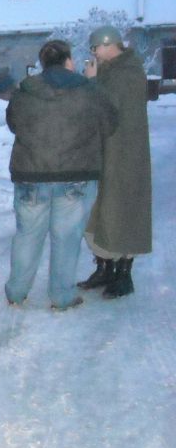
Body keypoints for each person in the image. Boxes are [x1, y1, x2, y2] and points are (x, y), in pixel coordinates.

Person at [4, 40, 117, 310]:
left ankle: (16, 292)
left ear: (43, 63)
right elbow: (110, 123)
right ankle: (62, 296)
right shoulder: (89, 90)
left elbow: (13, 122)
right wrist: (95, 83)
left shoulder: (25, 90)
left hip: (30, 174)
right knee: (66, 238)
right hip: (75, 174)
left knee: (27, 235)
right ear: (68, 61)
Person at [78, 26, 152, 298]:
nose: (94, 54)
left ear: (108, 44)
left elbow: (107, 108)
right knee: (98, 213)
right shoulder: (112, 71)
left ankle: (124, 275)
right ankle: (105, 267)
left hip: (125, 155)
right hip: (105, 152)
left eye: (95, 48)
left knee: (124, 212)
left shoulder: (129, 73)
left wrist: (93, 82)